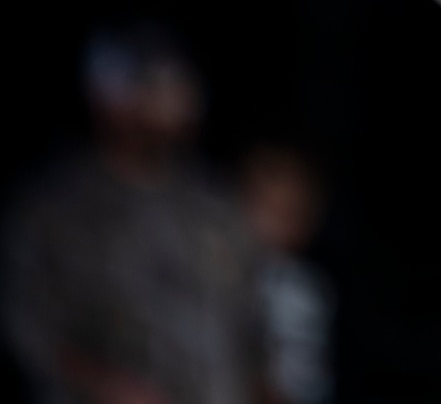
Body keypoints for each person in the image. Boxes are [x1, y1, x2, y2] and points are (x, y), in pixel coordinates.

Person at [3, 26, 268, 404]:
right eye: (153, 87)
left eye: (178, 87)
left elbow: (252, 324)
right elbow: (29, 329)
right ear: (108, 99)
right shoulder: (54, 208)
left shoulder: (214, 205)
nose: (175, 101)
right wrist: (104, 385)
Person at [239, 147, 334, 404]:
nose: (270, 224)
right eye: (265, 208)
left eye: (288, 213)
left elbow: (301, 372)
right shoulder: (223, 269)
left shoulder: (299, 288)